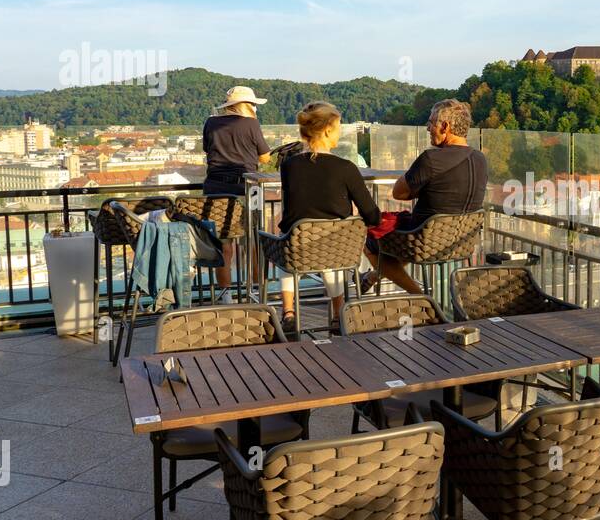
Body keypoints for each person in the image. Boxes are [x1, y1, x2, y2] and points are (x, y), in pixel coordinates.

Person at [277, 101, 381, 335]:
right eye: (338, 127)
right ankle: (338, 314)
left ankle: (289, 312)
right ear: (326, 130)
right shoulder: (345, 168)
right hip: (335, 250)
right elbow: (371, 213)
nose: (340, 132)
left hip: (297, 249)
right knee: (333, 246)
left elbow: (295, 206)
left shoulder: (289, 166)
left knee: (288, 241)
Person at [363, 98, 487, 294]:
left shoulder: (431, 159)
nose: (428, 128)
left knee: (371, 240)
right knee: (400, 241)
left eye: (431, 123)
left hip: (423, 241)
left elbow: (399, 192)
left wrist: (420, 177)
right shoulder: (480, 159)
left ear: (445, 127)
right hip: (462, 241)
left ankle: (420, 296)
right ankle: (372, 276)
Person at [202, 85, 272, 302]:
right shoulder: (251, 123)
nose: (254, 108)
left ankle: (225, 295)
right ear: (245, 105)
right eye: (252, 104)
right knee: (253, 242)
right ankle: (257, 292)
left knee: (223, 244)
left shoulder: (211, 123)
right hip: (245, 188)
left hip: (215, 189)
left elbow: (208, 149)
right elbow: (265, 157)